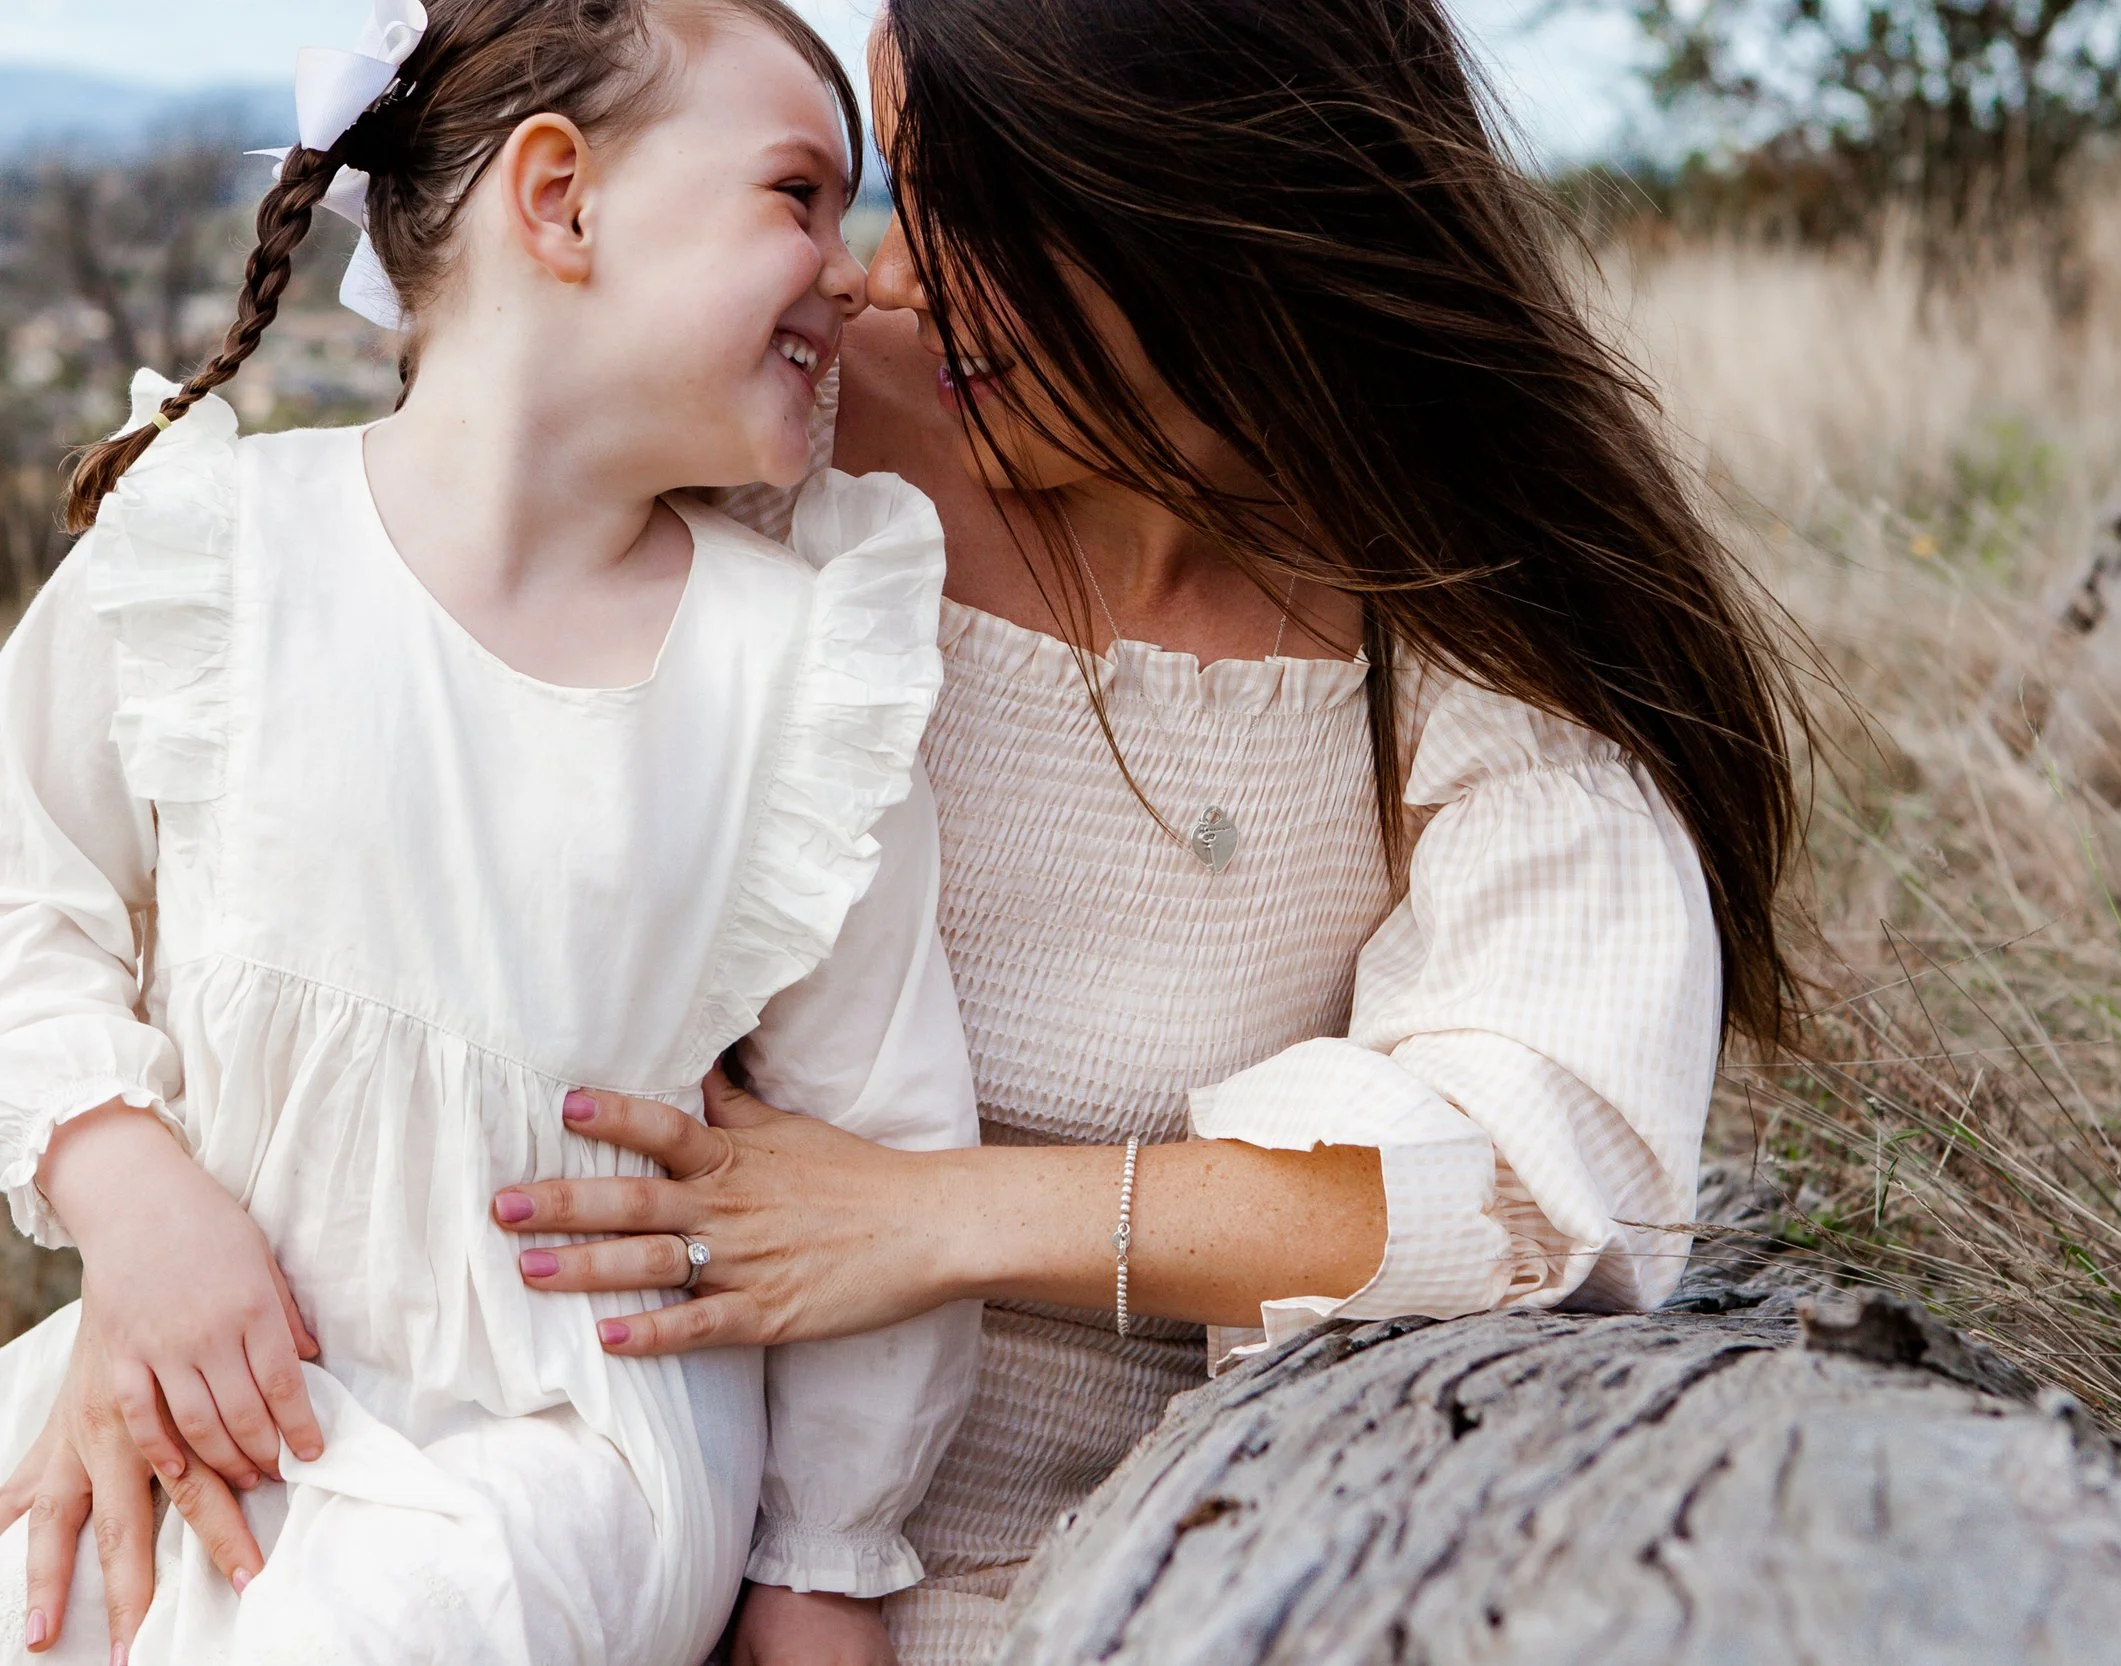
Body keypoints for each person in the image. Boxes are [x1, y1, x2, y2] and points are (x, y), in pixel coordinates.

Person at [2, 0, 1809, 1662]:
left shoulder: (1470, 644)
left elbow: (1533, 1186)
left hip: (1106, 1557)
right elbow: (362, 745)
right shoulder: (792, 430)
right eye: (847, 188)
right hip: (496, 1445)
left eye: (946, 203)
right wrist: (148, 1243)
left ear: (1175, 213)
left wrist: (931, 1219)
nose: (881, 278)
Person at [0, 1, 979, 1661]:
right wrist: (131, 1194)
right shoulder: (215, 551)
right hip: (191, 1379)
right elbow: (24, 893)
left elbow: (887, 1160)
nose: (858, 268)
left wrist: (823, 1561)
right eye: (800, 196)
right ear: (561, 200)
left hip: (561, 1451)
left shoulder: (795, 670)